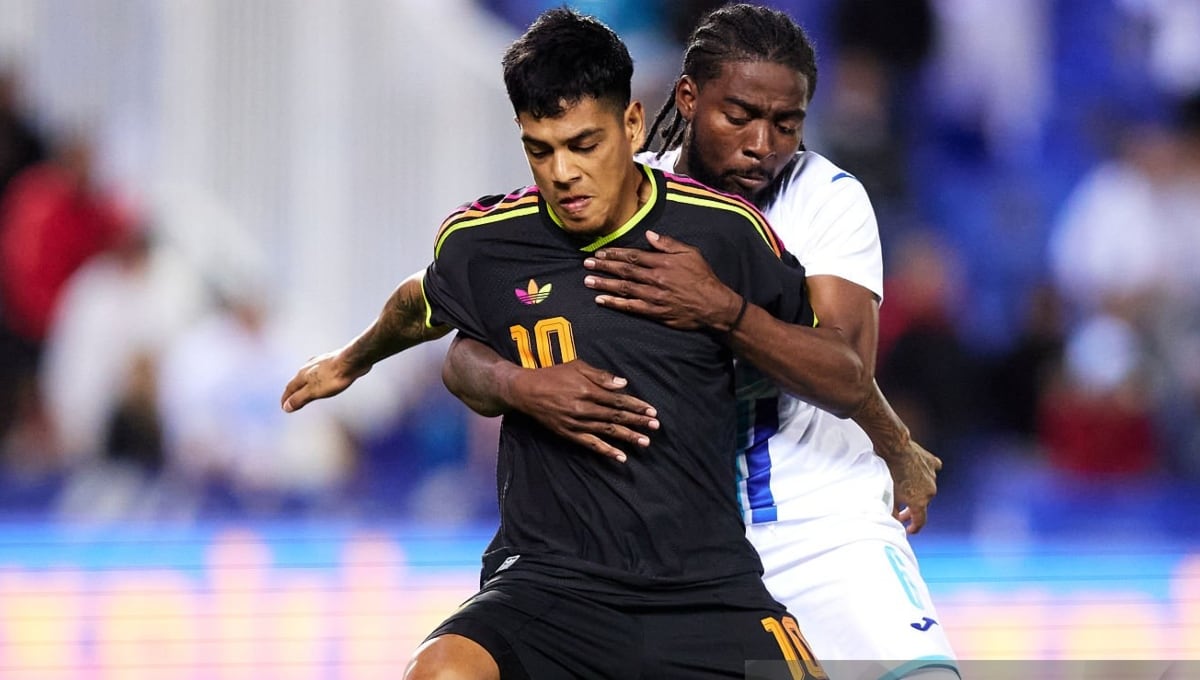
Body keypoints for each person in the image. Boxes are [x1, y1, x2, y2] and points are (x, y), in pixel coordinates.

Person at [283, 8, 844, 678]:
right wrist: (352, 360)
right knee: (440, 672)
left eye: (585, 144)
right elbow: (421, 305)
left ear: (632, 125)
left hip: (705, 590)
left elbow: (831, 365)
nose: (564, 174)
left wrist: (725, 312)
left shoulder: (725, 231)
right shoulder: (485, 242)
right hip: (550, 586)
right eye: (540, 149)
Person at [439, 5, 959, 678]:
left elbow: (845, 373)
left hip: (819, 530)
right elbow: (465, 352)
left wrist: (721, 310)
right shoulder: (609, 192)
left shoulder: (825, 197)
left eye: (785, 124)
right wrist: (522, 385)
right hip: (663, 551)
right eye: (738, 116)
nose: (762, 144)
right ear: (687, 97)